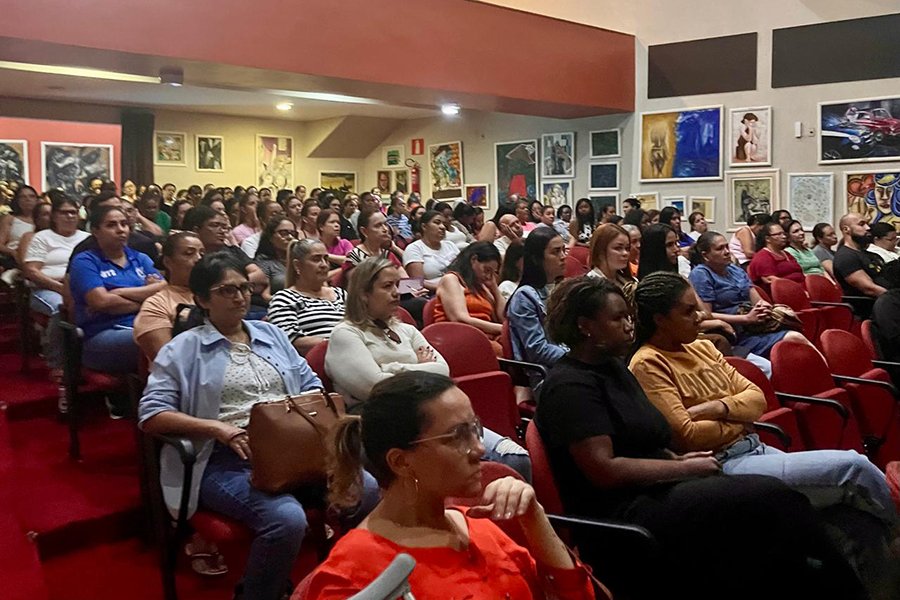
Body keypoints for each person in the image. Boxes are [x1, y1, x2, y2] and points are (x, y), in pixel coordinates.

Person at [537, 275, 867, 600]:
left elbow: (647, 439)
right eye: (617, 318)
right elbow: (604, 470)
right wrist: (683, 467)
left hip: (659, 488)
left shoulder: (614, 368)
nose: (629, 326)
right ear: (585, 326)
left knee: (779, 520)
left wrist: (678, 459)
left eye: (628, 316)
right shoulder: (570, 385)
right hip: (623, 514)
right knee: (774, 498)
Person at [139, 252, 378, 600]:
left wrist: (300, 417)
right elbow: (151, 415)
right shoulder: (183, 350)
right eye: (226, 290)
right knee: (287, 519)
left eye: (243, 288)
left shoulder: (271, 334)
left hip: (293, 452)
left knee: (365, 488)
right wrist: (217, 429)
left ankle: (346, 574)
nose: (239, 297)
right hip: (226, 460)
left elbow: (310, 382)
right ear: (202, 300)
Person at [299, 371, 596, 600]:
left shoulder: (480, 528)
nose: (479, 448)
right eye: (457, 436)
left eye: (475, 429)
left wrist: (535, 517)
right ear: (401, 462)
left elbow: (577, 596)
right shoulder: (353, 574)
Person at [629, 271, 896, 518]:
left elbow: (757, 399)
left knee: (849, 508)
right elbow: (687, 435)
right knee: (853, 466)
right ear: (660, 319)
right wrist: (740, 419)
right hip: (721, 463)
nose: (701, 316)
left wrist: (719, 408)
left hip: (755, 447)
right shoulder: (648, 363)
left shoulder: (703, 347)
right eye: (689, 311)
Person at [325, 258, 531, 476]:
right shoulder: (346, 334)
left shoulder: (407, 330)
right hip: (384, 426)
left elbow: (442, 371)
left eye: (397, 285)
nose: (396, 292)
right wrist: (418, 366)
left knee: (517, 458)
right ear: (363, 294)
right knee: (492, 463)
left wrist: (389, 368)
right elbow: (374, 387)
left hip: (432, 413)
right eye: (387, 286)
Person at [69, 205, 165, 377]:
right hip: (103, 335)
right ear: (95, 231)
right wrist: (146, 295)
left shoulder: (140, 258)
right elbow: (101, 301)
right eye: (111, 225)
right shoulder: (85, 261)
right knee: (156, 337)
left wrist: (117, 292)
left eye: (124, 224)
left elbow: (164, 290)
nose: (121, 230)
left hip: (146, 323)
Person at [690, 231, 811, 358]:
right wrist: (746, 318)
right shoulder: (701, 274)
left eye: (727, 247)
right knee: (795, 338)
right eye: (720, 249)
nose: (726, 252)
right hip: (735, 334)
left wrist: (765, 308)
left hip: (755, 327)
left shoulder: (735, 270)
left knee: (795, 330)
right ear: (705, 255)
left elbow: (757, 300)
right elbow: (707, 314)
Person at [23, 196, 90, 377]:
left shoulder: (87, 238)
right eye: (64, 212)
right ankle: (57, 362)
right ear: (54, 216)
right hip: (47, 288)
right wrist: (61, 289)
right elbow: (32, 271)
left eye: (73, 212)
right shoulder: (42, 237)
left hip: (81, 286)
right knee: (60, 308)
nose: (70, 216)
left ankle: (87, 357)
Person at [506, 227, 567, 386]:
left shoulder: (563, 288)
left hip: (570, 367)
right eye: (556, 252)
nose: (563, 256)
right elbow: (538, 350)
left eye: (564, 250)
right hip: (547, 377)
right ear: (536, 259)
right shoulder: (524, 297)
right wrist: (577, 359)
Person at [184, 206, 269, 320]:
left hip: (253, 306)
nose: (222, 231)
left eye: (224, 227)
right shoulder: (190, 255)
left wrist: (230, 286)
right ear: (196, 230)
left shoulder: (232, 250)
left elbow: (261, 276)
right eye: (215, 225)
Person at [267, 238, 347, 357]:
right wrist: (340, 344)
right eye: (316, 259)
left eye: (326, 259)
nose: (324, 265)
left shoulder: (341, 294)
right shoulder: (284, 299)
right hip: (317, 361)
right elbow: (291, 341)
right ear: (297, 265)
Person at [133, 232, 205, 361]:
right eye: (189, 253)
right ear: (167, 261)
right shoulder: (156, 304)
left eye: (202, 254)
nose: (199, 259)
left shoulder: (215, 295)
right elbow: (168, 362)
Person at [434, 242, 506, 353]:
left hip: (484, 337)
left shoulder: (481, 286)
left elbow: (502, 318)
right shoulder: (451, 279)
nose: (488, 276)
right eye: (487, 270)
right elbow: (459, 319)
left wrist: (494, 288)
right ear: (474, 260)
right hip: (459, 337)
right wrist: (502, 329)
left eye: (493, 273)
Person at [833, 213, 888, 307]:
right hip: (871, 308)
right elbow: (870, 289)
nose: (868, 228)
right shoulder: (845, 257)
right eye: (861, 224)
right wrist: (895, 298)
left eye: (867, 224)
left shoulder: (869, 254)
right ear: (846, 229)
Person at [403, 210, 460, 292]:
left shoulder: (450, 245)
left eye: (444, 224)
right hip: (432, 292)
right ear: (424, 227)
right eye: (437, 223)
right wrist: (445, 288)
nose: (443, 227)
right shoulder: (414, 248)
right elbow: (417, 282)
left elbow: (463, 270)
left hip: (458, 287)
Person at [747, 221, 805, 296]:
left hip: (802, 289)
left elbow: (799, 273)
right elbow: (773, 281)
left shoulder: (786, 253)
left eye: (784, 233)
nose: (784, 237)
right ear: (767, 239)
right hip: (785, 294)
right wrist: (800, 291)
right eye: (778, 234)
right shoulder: (763, 257)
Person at [586, 224, 637, 303]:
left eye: (627, 248)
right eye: (618, 248)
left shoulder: (631, 282)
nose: (625, 253)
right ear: (600, 251)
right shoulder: (589, 287)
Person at [253, 216, 296, 300]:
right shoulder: (263, 261)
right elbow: (265, 296)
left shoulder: (300, 260)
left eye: (293, 233)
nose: (290, 237)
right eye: (284, 233)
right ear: (270, 237)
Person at [0, 184, 37, 268]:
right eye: (23, 197)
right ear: (17, 200)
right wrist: (12, 252)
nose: (28, 199)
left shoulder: (42, 220)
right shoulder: (10, 219)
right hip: (13, 261)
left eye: (31, 196)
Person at [317, 209, 353, 278]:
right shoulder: (314, 247)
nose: (337, 225)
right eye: (332, 222)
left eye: (338, 222)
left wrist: (326, 256)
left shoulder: (345, 243)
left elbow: (353, 261)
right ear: (321, 227)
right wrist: (344, 269)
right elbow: (319, 276)